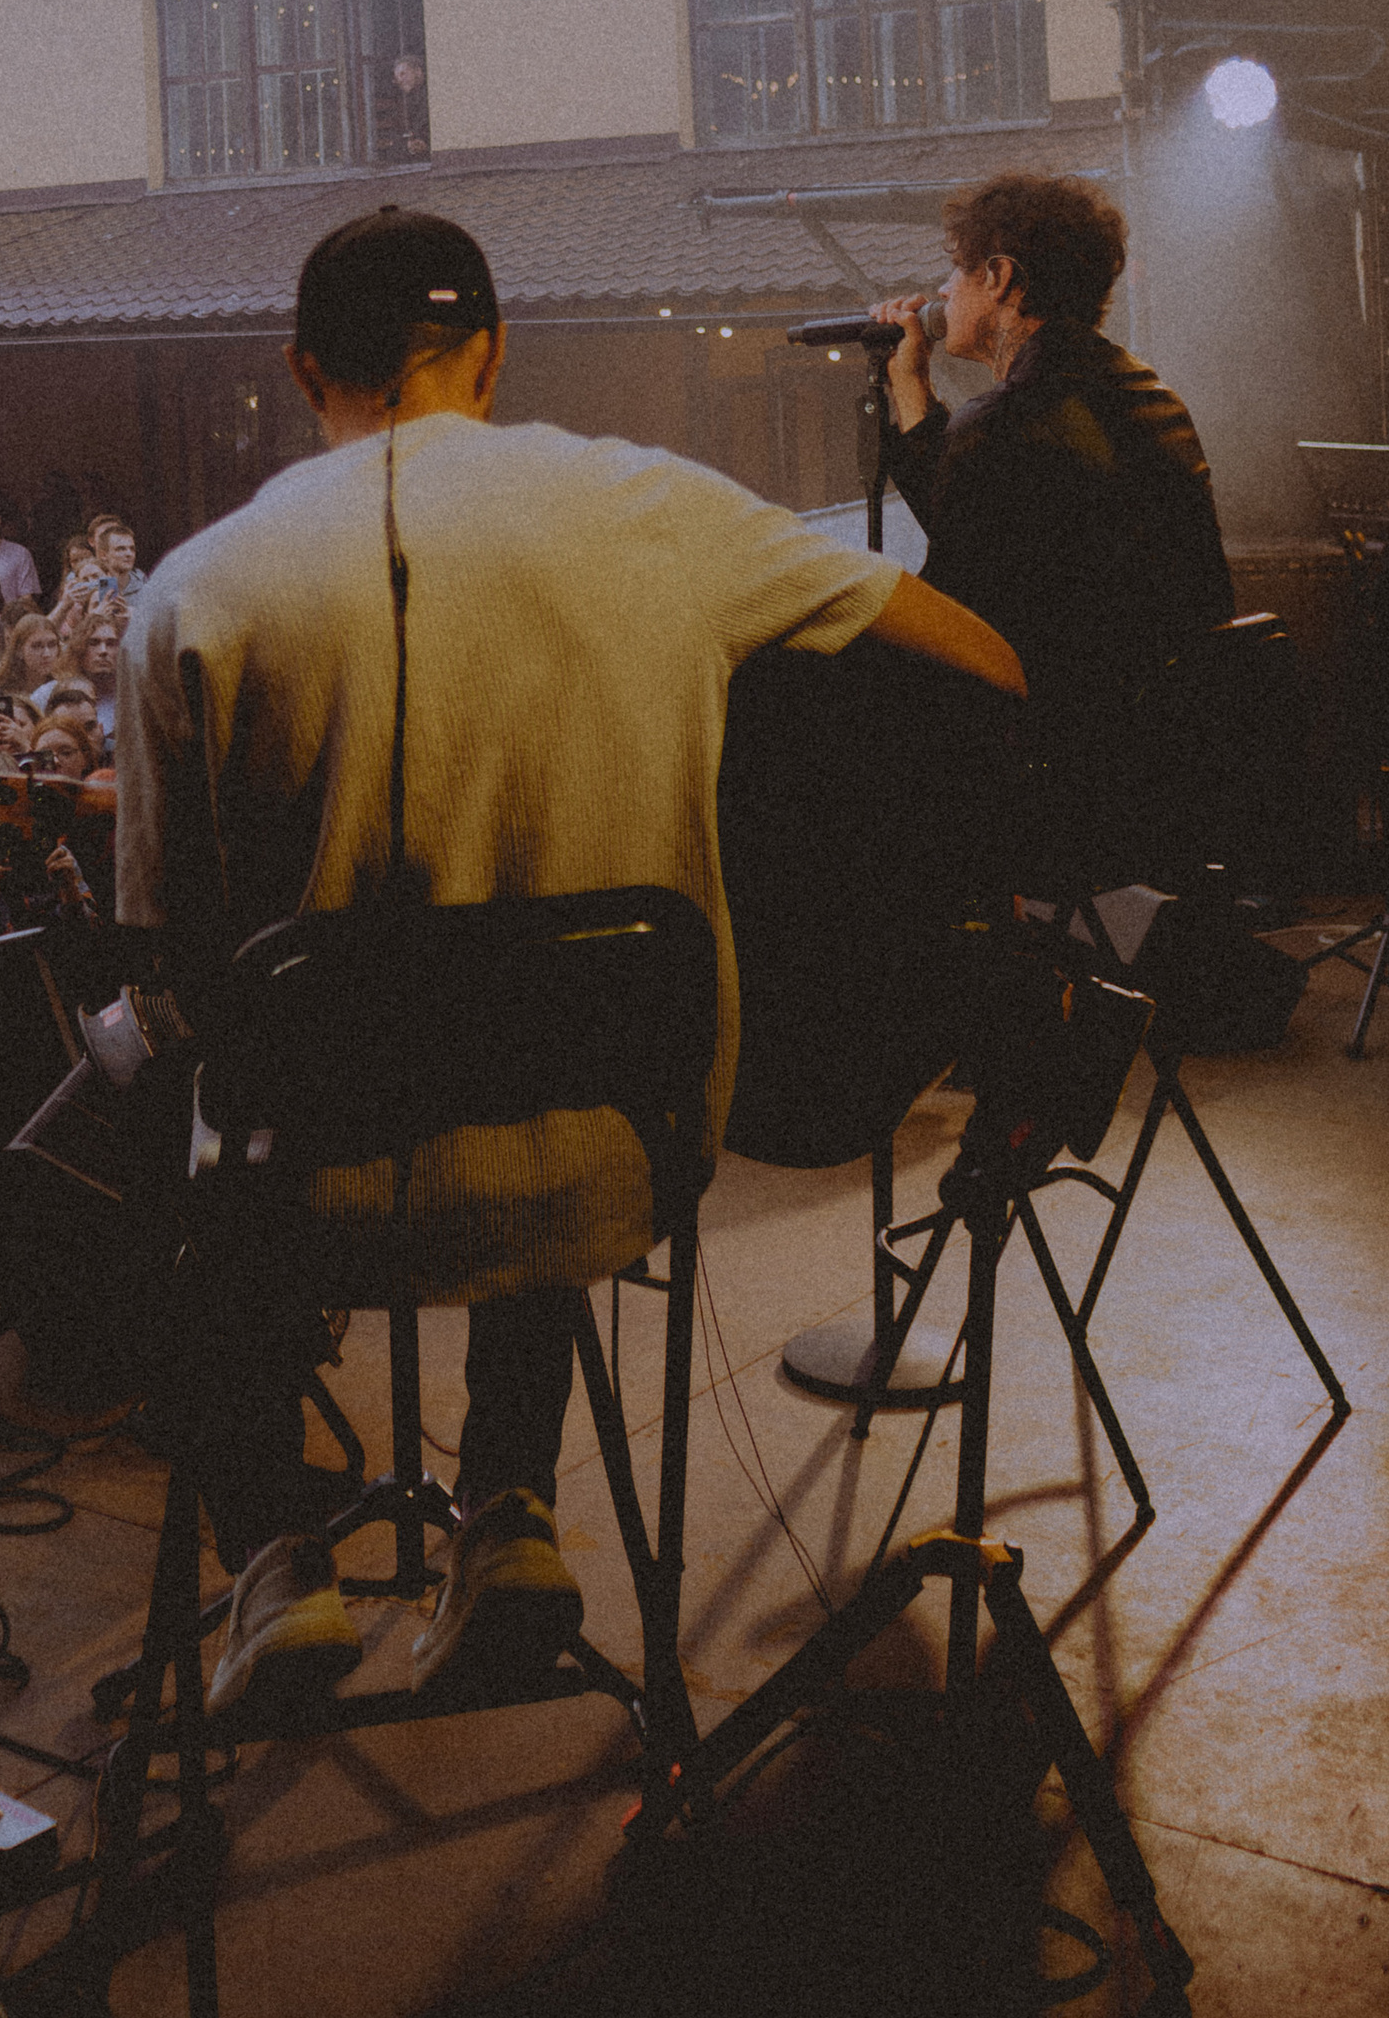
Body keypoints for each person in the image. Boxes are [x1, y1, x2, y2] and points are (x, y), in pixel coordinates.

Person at [116, 203, 1024, 1720]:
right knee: (536, 1017)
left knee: (175, 1084)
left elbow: (171, 954)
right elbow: (984, 665)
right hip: (610, 1165)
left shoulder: (194, 592)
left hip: (306, 1198)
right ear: (492, 353)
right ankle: (510, 1513)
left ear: (300, 370)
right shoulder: (667, 512)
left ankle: (275, 1554)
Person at [872, 170, 1234, 887]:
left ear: (1001, 278)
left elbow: (956, 614)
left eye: (957, 271)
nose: (943, 291)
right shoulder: (1148, 393)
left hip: (1068, 765)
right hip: (1179, 746)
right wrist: (909, 385)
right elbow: (969, 504)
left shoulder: (1006, 422)